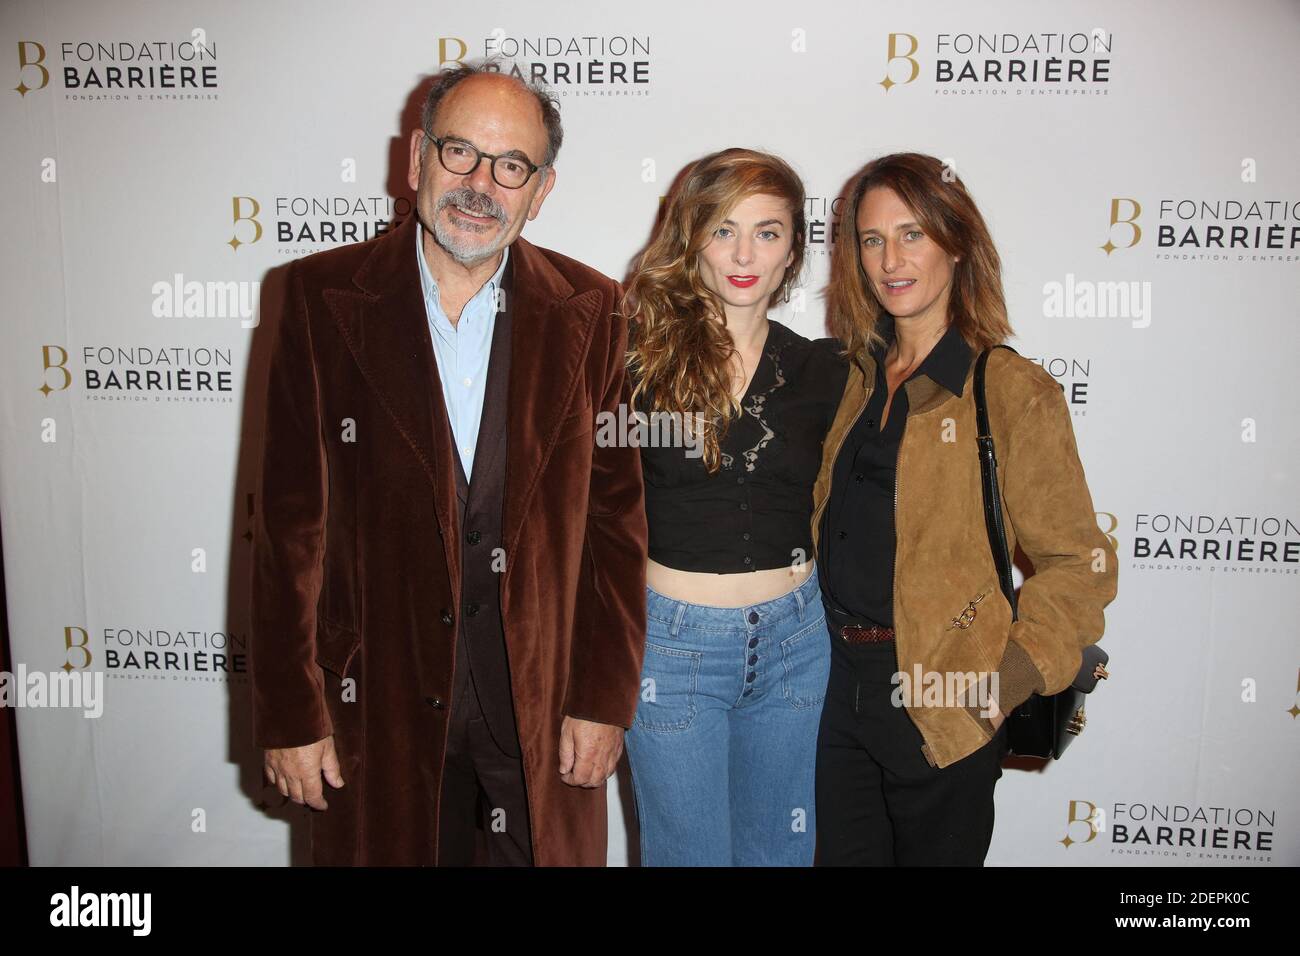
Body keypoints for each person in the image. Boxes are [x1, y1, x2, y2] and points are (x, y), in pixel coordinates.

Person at [250, 62, 648, 866]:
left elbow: (616, 524)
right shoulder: (316, 297)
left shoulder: (597, 310)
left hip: (540, 711)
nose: (479, 185)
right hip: (377, 707)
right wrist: (293, 713)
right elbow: (288, 529)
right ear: (415, 159)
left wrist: (604, 700)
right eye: (459, 153)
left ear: (542, 190)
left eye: (511, 167)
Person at [812, 152, 1118, 866]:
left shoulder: (1007, 390)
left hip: (942, 704)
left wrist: (999, 690)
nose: (891, 258)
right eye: (872, 238)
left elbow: (1080, 565)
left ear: (955, 243)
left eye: (913, 234)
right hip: (834, 698)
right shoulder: (849, 378)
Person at [621, 148, 848, 866]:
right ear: (692, 239)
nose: (744, 253)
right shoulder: (631, 362)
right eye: (724, 229)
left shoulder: (827, 369)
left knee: (781, 853)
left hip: (797, 644)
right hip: (671, 645)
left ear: (793, 253)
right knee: (687, 855)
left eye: (769, 232)